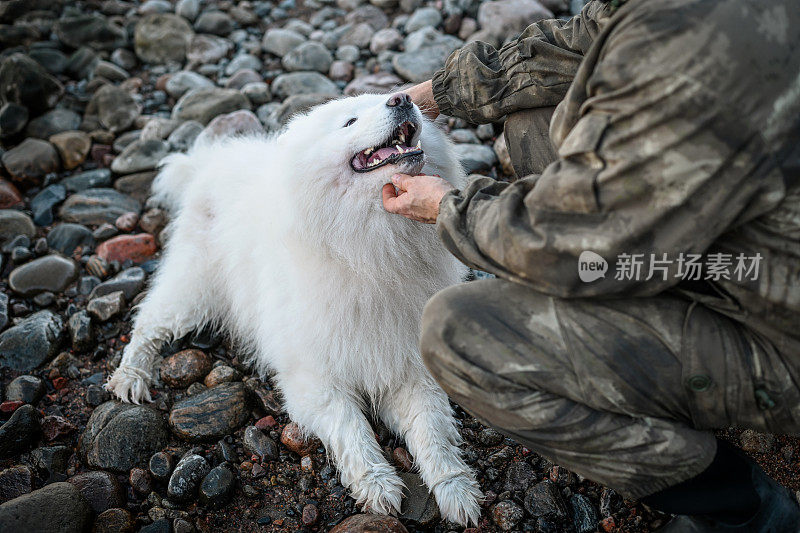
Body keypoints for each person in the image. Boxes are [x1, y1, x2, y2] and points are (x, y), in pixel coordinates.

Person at [381, 0, 800, 530]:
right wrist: (436, 95)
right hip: (754, 250)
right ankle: (630, 335)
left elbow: (574, 246)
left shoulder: (705, 43)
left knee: (458, 336)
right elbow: (587, 37)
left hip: (779, 326)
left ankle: (741, 510)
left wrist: (449, 206)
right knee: (537, 117)